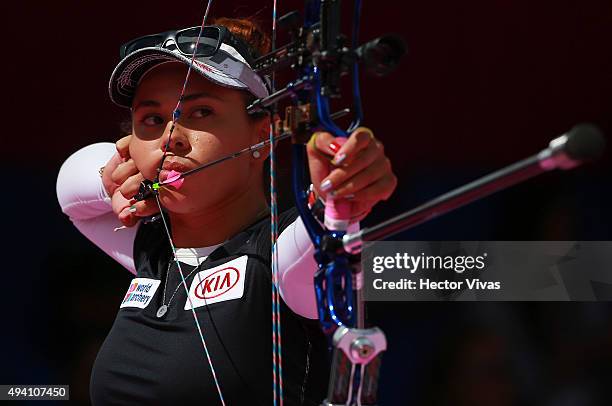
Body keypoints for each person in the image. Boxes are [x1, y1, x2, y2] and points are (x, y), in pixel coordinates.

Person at [56, 17, 397, 405]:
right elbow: (70, 191)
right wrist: (110, 179)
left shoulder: (276, 256)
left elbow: (313, 254)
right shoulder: (152, 248)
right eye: (151, 120)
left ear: (262, 135)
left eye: (200, 112)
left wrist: (337, 199)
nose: (170, 138)